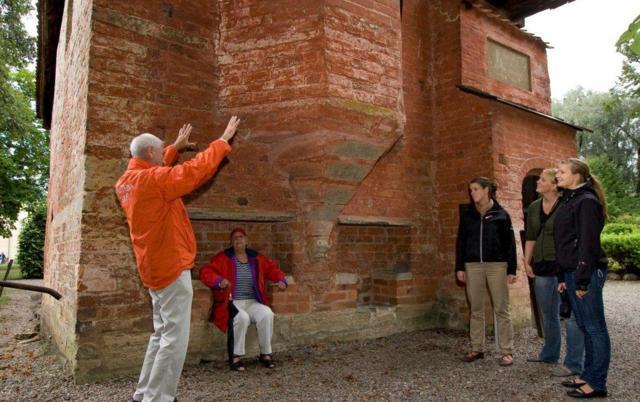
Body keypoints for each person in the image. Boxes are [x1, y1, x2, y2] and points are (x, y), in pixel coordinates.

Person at [116, 116, 240, 402]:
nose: (164, 155)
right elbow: (193, 172)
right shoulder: (153, 180)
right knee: (173, 339)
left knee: (160, 334)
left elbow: (154, 174)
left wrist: (173, 148)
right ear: (150, 154)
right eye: (160, 152)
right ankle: (158, 398)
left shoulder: (125, 182)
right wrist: (221, 143)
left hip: (152, 268)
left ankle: (145, 393)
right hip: (171, 268)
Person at [554, 158, 610, 399]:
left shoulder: (586, 202)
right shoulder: (571, 199)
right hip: (573, 271)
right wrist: (564, 275)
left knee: (595, 328)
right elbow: (566, 242)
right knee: (586, 327)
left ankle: (597, 383)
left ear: (576, 176)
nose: (557, 174)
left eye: (561, 171)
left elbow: (588, 244)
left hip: (584, 272)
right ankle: (588, 375)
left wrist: (583, 280)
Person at [199, 228, 287, 371]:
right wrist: (219, 280)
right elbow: (205, 271)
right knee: (243, 317)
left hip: (252, 301)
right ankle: (236, 356)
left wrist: (281, 280)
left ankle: (265, 353)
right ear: (231, 243)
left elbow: (273, 270)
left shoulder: (256, 258)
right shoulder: (223, 258)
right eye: (234, 238)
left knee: (267, 313)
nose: (238, 240)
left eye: (241, 237)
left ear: (246, 241)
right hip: (233, 301)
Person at [524, 169, 584, 377]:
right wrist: (526, 261)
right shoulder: (533, 207)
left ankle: (574, 361)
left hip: (562, 266)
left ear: (553, 184)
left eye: (542, 179)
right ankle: (550, 353)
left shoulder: (567, 204)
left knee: (570, 315)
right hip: (540, 265)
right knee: (548, 313)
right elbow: (530, 236)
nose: (537, 182)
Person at [455, 177, 516, 366]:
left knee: (501, 308)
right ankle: (476, 348)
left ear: (486, 189)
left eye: (475, 189)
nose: (472, 193)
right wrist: (459, 267)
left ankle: (506, 351)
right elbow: (461, 242)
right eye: (470, 190)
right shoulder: (468, 215)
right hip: (472, 266)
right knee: (476, 309)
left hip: (497, 266)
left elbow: (510, 244)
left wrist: (511, 269)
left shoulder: (501, 214)